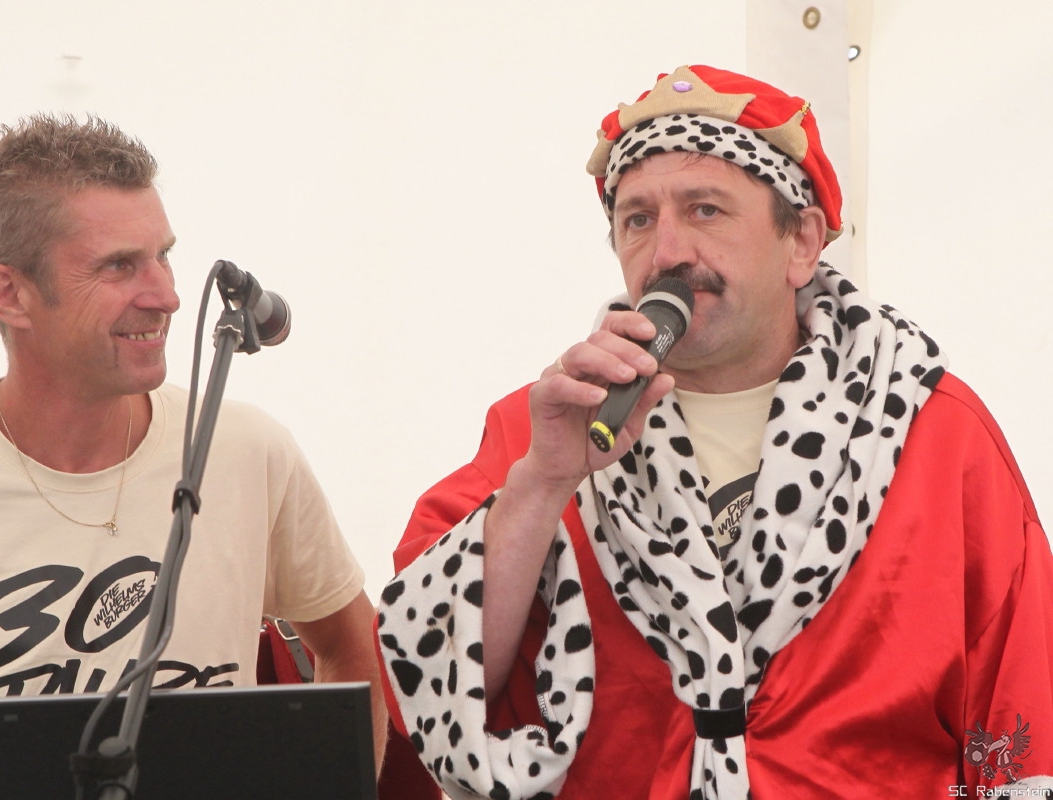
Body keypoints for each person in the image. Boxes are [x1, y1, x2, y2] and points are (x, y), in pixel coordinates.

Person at [375, 65, 1053, 799]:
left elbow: (1022, 701)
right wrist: (541, 485)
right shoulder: (546, 428)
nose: (667, 251)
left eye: (705, 210)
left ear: (802, 243)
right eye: (638, 219)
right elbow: (432, 688)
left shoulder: (933, 431)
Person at [0, 114, 385, 799]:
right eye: (118, 266)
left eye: (163, 255)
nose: (167, 296)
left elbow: (348, 643)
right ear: (8, 293)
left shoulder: (247, 450)